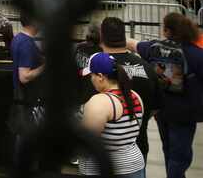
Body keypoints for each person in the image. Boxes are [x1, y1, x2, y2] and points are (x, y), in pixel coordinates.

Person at [129, 13, 203, 178]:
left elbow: (134, 45)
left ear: (167, 30)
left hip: (161, 111)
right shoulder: (195, 54)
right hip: (185, 114)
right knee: (181, 156)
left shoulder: (154, 48)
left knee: (168, 149)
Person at [99, 17, 160, 164]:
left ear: (101, 37)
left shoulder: (97, 70)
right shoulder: (147, 68)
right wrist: (137, 119)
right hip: (137, 148)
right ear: (124, 36)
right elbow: (155, 107)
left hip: (103, 152)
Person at [79, 52, 145, 178]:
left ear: (100, 76)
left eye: (91, 75)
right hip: (134, 166)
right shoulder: (134, 96)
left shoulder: (99, 101)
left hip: (103, 169)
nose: (90, 80)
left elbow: (87, 143)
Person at [10, 11, 45, 158]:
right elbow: (24, 76)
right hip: (28, 100)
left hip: (22, 98)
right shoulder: (26, 44)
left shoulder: (18, 39)